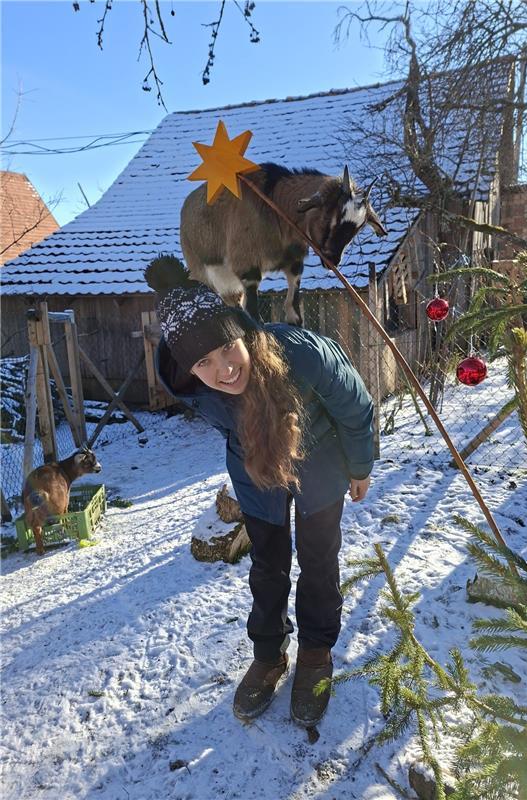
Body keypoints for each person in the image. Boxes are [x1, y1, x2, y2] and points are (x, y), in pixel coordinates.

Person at [146, 256, 374, 728]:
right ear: (190, 369)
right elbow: (227, 424)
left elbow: (355, 406)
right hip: (255, 468)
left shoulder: (302, 354)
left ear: (240, 332)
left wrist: (360, 466)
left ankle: (315, 652)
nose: (225, 370)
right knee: (268, 564)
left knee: (318, 559)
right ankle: (269, 654)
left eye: (226, 348)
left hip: (319, 458)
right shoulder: (194, 388)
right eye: (204, 363)